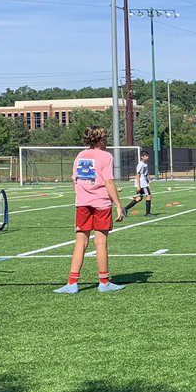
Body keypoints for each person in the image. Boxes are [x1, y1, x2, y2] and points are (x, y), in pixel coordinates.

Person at [53, 125, 126, 294]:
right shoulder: (106, 156)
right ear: (100, 139)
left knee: (80, 243)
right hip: (101, 203)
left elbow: (75, 180)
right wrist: (118, 205)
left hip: (82, 204)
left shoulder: (80, 155)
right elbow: (108, 181)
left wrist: (82, 196)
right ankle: (104, 282)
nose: (107, 140)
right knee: (100, 242)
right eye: (106, 137)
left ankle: (72, 283)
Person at [123, 151, 154, 216]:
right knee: (148, 196)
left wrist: (149, 181)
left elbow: (146, 173)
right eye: (146, 156)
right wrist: (138, 185)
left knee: (139, 198)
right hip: (142, 183)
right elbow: (137, 175)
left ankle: (125, 209)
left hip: (144, 182)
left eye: (148, 156)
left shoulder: (145, 163)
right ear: (142, 157)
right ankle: (147, 213)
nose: (147, 157)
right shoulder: (140, 164)